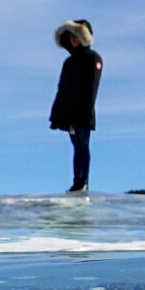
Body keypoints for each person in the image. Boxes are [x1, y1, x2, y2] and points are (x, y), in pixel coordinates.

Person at [48, 19, 102, 193]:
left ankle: (83, 181)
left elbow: (91, 89)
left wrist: (84, 114)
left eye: (76, 36)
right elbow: (61, 90)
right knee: (76, 147)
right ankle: (77, 181)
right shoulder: (68, 63)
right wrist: (56, 116)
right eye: (71, 37)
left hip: (83, 115)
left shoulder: (93, 59)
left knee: (83, 145)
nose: (73, 40)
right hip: (68, 115)